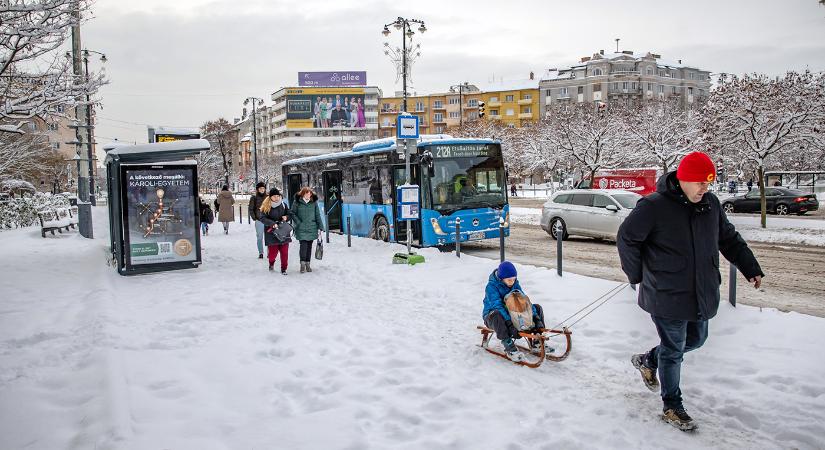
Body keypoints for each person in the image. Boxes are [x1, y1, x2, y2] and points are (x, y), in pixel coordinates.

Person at [617, 151, 764, 432]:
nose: (705, 188)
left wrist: (750, 267)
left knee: (696, 339)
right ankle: (672, 405)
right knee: (673, 350)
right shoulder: (653, 206)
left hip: (701, 291)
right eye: (700, 182)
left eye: (708, 183)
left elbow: (729, 239)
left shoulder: (710, 204)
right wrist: (636, 274)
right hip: (665, 292)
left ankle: (648, 360)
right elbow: (626, 239)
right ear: (683, 179)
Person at [482, 261, 546, 363]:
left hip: (512, 314)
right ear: (501, 278)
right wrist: (509, 323)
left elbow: (525, 301)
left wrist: (535, 317)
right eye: (509, 280)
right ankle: (508, 346)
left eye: (514, 279)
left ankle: (538, 341)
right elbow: (497, 306)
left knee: (537, 307)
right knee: (497, 314)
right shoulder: (491, 287)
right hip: (492, 316)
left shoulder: (515, 284)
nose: (512, 282)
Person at [291, 186, 326, 273]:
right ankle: (302, 264)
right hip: (301, 227)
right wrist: (298, 222)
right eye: (307, 193)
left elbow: (317, 215)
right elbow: (292, 213)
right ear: (303, 194)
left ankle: (308, 263)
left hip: (312, 227)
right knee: (303, 245)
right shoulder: (297, 202)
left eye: (310, 193)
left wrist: (321, 226)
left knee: (309, 246)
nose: (308, 195)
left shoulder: (314, 203)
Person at [259, 188, 292, 274]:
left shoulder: (283, 204)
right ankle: (271, 263)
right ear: (270, 197)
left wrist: (286, 217)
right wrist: (272, 223)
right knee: (273, 253)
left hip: (283, 231)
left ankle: (284, 269)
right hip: (272, 233)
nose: (276, 198)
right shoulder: (266, 206)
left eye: (278, 196)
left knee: (284, 252)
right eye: (274, 196)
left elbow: (289, 214)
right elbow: (262, 218)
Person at [248, 181, 268, 259]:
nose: (262, 190)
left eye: (263, 188)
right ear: (257, 189)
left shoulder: (268, 197)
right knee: (259, 237)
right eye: (260, 188)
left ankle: (269, 253)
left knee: (268, 237)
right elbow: (251, 209)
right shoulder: (254, 198)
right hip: (259, 220)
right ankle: (261, 252)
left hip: (267, 220)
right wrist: (254, 217)